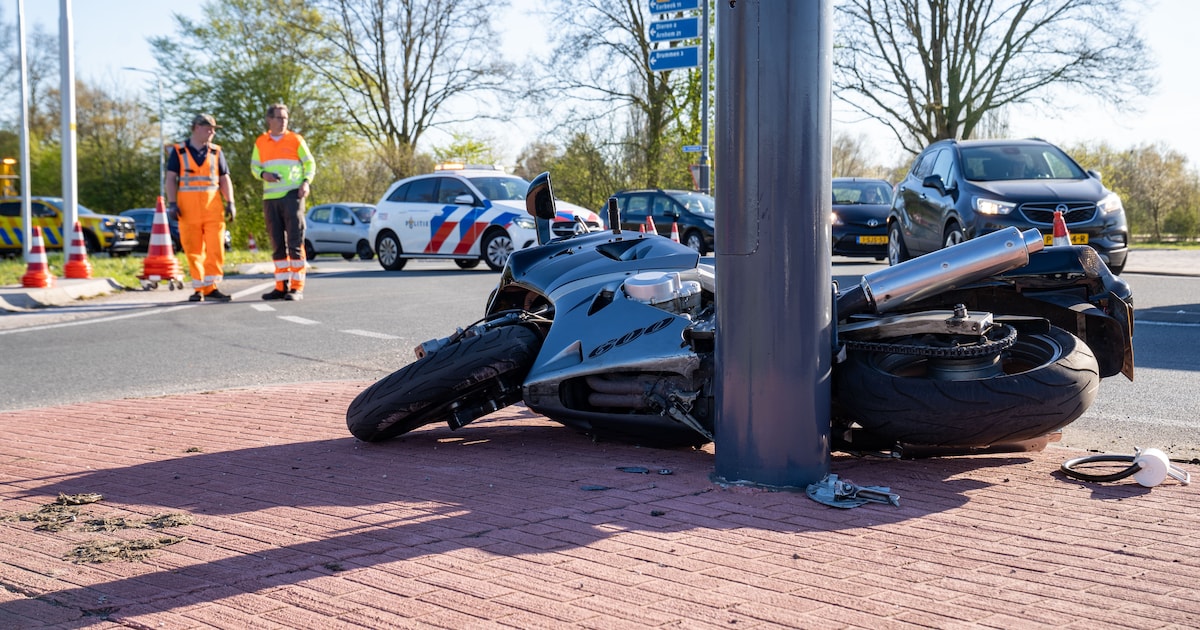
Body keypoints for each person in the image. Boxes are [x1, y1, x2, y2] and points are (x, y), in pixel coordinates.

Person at [165, 113, 236, 302]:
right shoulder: (178, 152)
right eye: (208, 128)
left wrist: (231, 202)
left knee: (215, 248)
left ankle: (211, 287)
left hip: (213, 208)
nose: (212, 132)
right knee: (193, 249)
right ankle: (198, 288)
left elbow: (224, 179)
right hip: (187, 210)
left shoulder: (216, 152)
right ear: (196, 128)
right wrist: (172, 204)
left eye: (213, 129)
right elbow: (171, 179)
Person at [251, 103, 316, 301]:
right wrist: (264, 174)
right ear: (269, 120)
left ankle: (296, 288)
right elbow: (254, 167)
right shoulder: (261, 142)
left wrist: (306, 182)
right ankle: (280, 286)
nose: (283, 121)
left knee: (295, 243)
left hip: (292, 196)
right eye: (279, 117)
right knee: (277, 244)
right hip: (270, 198)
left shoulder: (295, 139)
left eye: (285, 118)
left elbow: (310, 163)